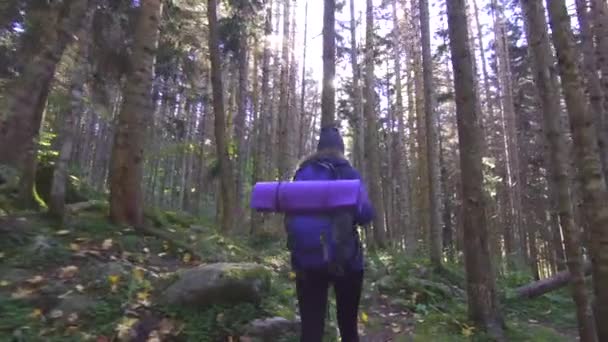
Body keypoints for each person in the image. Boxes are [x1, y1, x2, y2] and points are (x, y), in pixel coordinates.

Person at [285, 125, 374, 342]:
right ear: (341, 148)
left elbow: (290, 213)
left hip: (307, 259)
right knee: (348, 327)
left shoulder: (302, 172)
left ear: (318, 148)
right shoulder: (349, 172)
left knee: (311, 329)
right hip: (346, 262)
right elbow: (365, 215)